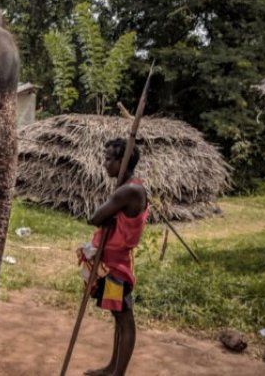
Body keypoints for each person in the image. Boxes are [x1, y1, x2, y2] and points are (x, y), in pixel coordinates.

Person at [79, 138, 148, 376]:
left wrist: (108, 214)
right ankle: (112, 367)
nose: (105, 163)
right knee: (118, 316)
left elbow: (95, 218)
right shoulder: (128, 187)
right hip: (111, 263)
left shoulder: (129, 190)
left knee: (124, 317)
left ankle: (118, 373)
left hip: (117, 267)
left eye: (110, 159)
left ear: (123, 161)